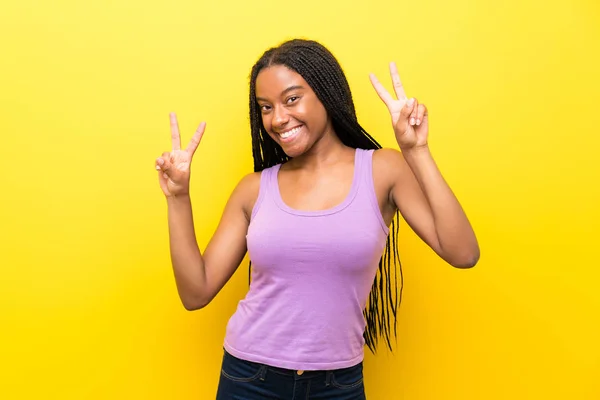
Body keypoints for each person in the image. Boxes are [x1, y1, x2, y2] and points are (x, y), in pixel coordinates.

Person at [155, 39, 479, 399]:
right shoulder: (253, 190)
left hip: (337, 384)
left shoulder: (383, 169)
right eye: (266, 107)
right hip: (249, 379)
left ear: (325, 94)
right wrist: (178, 198)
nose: (277, 119)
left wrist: (416, 151)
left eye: (291, 99)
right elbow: (195, 292)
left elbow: (463, 253)